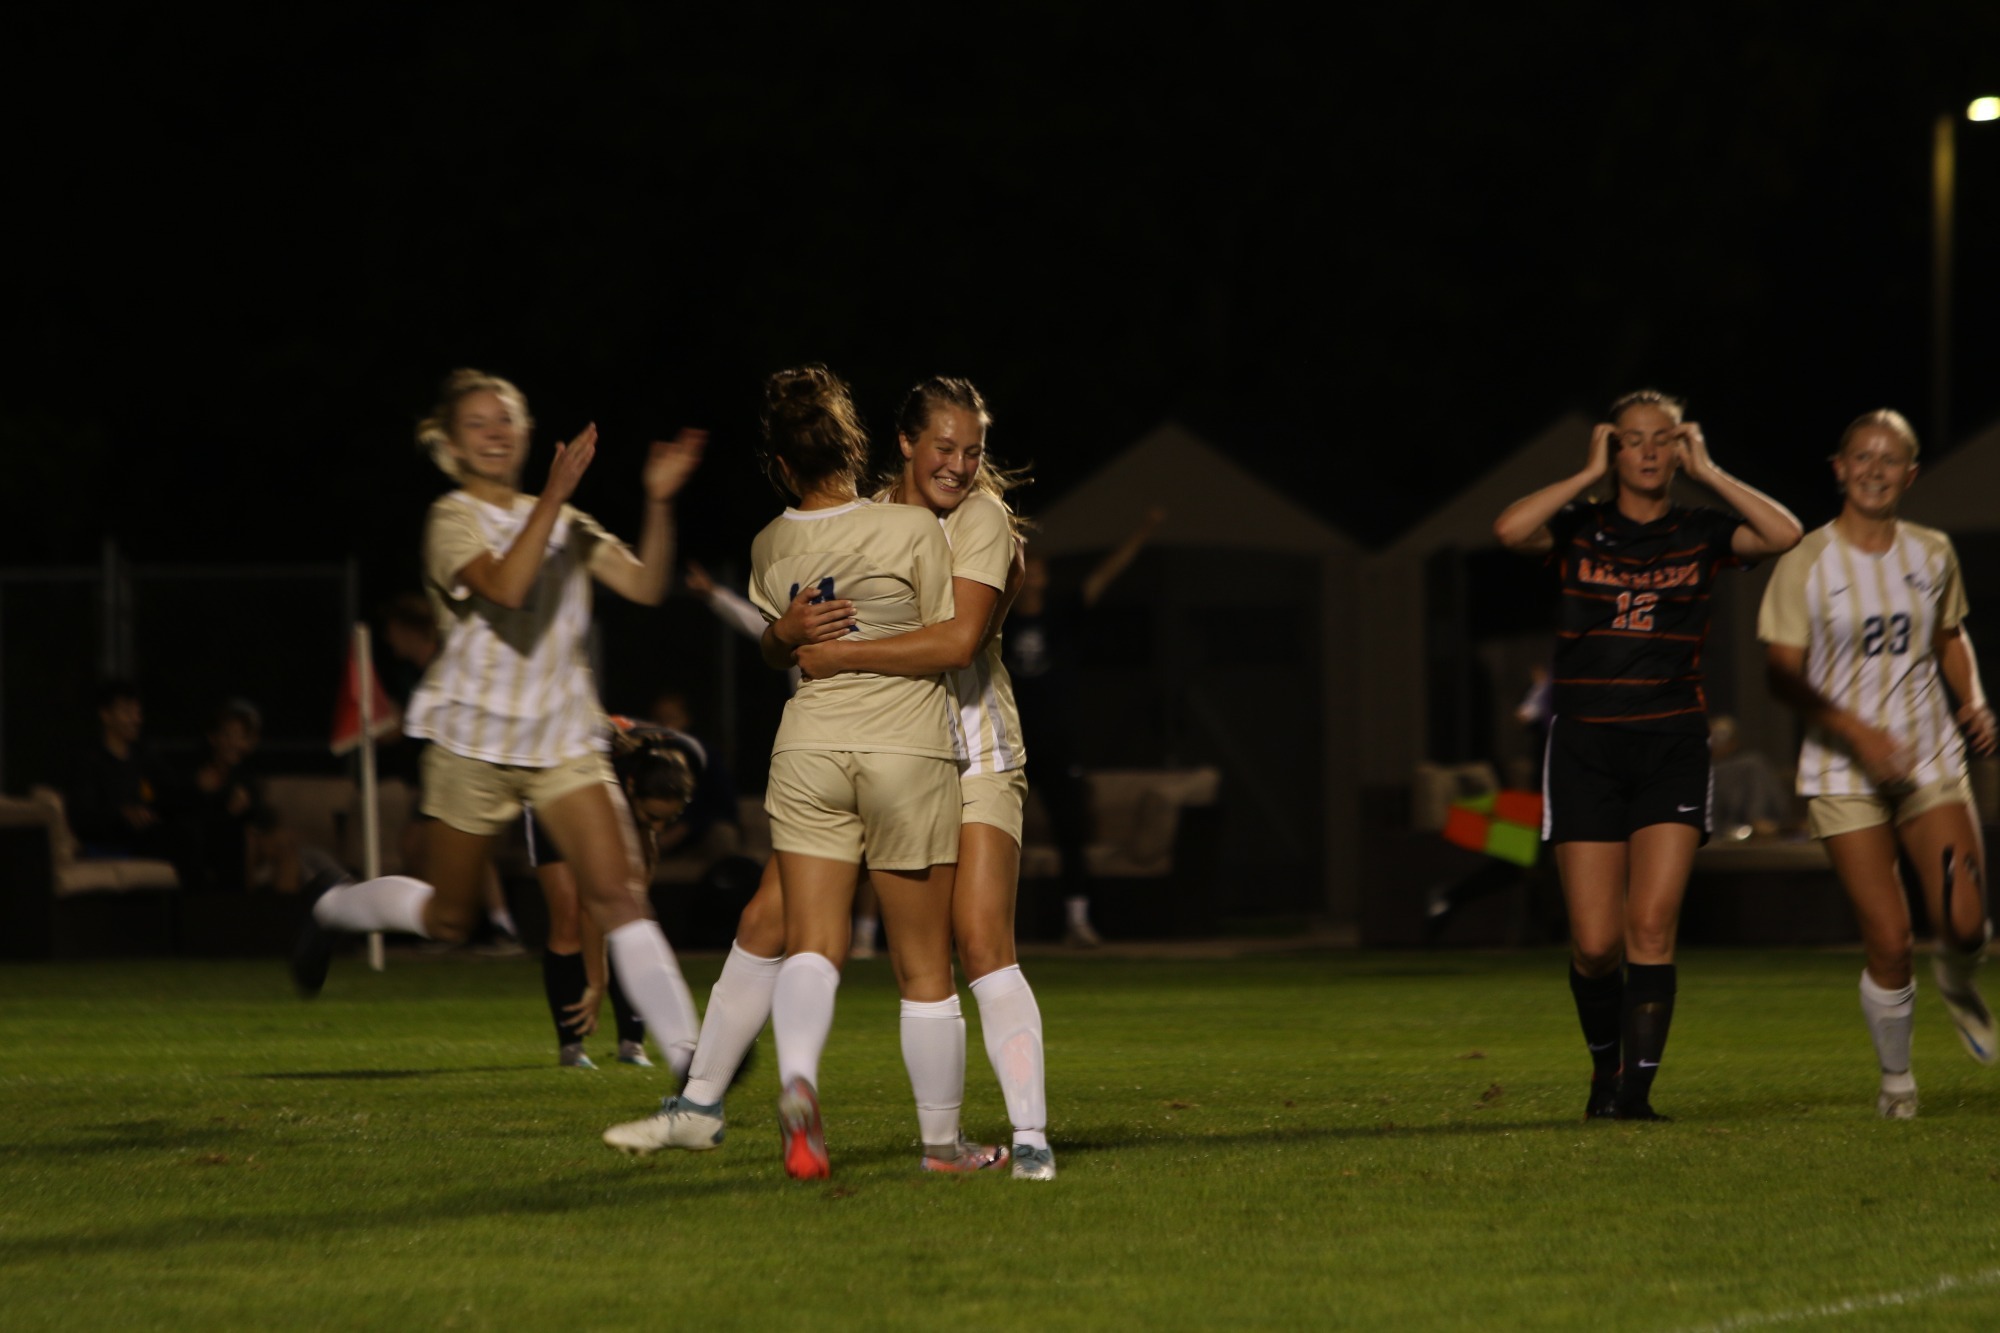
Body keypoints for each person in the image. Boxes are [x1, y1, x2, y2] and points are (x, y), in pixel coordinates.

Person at [607, 364, 991, 1179]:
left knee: (792, 933)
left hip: (809, 750)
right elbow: (948, 641)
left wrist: (791, 638)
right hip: (903, 750)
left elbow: (779, 643)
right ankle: (942, 1147)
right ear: (862, 443)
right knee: (923, 966)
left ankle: (775, 1084)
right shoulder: (915, 531)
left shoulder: (769, 543)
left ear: (779, 465)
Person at [292, 368, 706, 1083]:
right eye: (477, 423)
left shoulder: (564, 520)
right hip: (472, 743)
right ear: (451, 443)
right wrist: (552, 496)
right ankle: (332, 904)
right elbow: (508, 588)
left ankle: (696, 1059)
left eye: (504, 419)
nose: (493, 432)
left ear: (524, 433)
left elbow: (644, 583)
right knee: (451, 920)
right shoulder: (450, 518)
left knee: (618, 889)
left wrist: (657, 501)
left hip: (560, 736)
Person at [1493, 389, 1801, 1120]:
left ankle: (1635, 1094)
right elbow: (1509, 529)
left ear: (1679, 447)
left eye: (1664, 438)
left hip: (1671, 743)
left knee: (1652, 926)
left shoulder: (1700, 530)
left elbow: (1785, 533)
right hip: (1586, 746)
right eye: (1634, 439)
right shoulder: (1577, 528)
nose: (1651, 450)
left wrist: (1711, 468)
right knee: (1596, 944)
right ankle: (1604, 1074)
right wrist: (1585, 471)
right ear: (1615, 449)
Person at [1759, 408, 1998, 1119]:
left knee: (1963, 922)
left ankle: (1958, 981)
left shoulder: (1931, 552)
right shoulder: (1806, 559)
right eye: (1861, 456)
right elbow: (1780, 673)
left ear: (1910, 474)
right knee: (1889, 939)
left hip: (1928, 758)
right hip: (1842, 774)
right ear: (1839, 468)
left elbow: (1951, 635)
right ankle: (1897, 1081)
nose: (1874, 468)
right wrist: (1852, 730)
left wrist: (1974, 701)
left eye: (1889, 459)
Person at [1006, 508, 1166, 945]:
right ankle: (997, 927)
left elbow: (1104, 576)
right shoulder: (998, 622)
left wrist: (1144, 529)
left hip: (1058, 742)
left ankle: (1078, 921)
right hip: (1011, 745)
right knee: (999, 836)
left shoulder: (1061, 616)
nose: (1033, 577)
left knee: (1070, 832)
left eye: (1038, 569)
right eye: (1025, 569)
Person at [526, 720, 698, 1069]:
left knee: (633, 914)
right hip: (557, 785)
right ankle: (572, 1046)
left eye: (671, 818)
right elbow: (593, 907)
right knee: (568, 915)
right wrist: (596, 981)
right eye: (652, 816)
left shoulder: (680, 760)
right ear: (632, 788)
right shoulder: (612, 771)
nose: (660, 828)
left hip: (604, 779)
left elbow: (610, 911)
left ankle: (631, 1042)